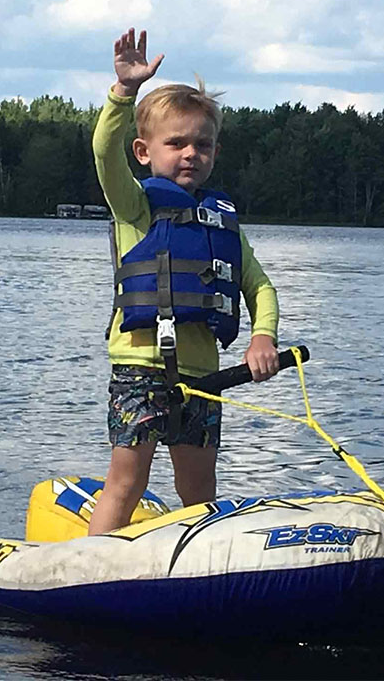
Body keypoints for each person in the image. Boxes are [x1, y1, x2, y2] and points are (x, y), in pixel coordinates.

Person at [87, 28, 280, 535]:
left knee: (198, 490)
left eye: (203, 144)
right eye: (176, 143)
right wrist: (123, 93)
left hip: (202, 376)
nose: (191, 153)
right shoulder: (136, 205)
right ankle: (90, 564)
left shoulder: (222, 224)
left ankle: (195, 565)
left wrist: (263, 336)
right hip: (139, 369)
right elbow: (105, 155)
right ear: (145, 151)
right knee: (127, 481)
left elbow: (259, 288)